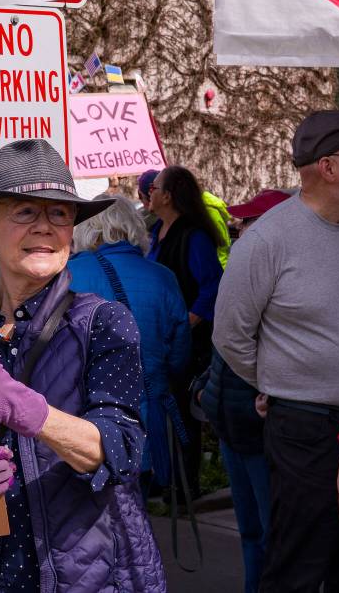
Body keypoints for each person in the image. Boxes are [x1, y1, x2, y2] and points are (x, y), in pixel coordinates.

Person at [0, 140, 165, 593]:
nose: (45, 227)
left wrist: (28, 410)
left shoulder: (103, 324)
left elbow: (120, 448)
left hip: (87, 576)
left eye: (60, 214)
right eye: (25, 212)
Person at [214, 109, 339, 593]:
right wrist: (273, 381)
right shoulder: (267, 239)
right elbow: (229, 335)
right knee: (301, 560)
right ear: (328, 167)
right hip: (305, 427)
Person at [69, 194, 191, 493]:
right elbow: (179, 354)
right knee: (140, 514)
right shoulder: (163, 277)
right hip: (150, 421)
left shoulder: (69, 276)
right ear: (134, 227)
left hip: (88, 423)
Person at [199, 188, 288, 593]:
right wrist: (205, 387)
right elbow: (224, 344)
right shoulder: (242, 273)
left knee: (272, 534)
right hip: (231, 423)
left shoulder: (281, 283)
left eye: (250, 224)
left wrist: (269, 388)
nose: (240, 232)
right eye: (241, 225)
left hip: (259, 430)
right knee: (251, 531)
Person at [146, 164, 224, 496]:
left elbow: (211, 286)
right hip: (163, 337)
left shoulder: (194, 236)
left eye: (155, 187)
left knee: (182, 412)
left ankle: (185, 485)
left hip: (188, 341)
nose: (150, 192)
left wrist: (186, 322)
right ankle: (165, 479)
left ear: (169, 195)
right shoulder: (157, 232)